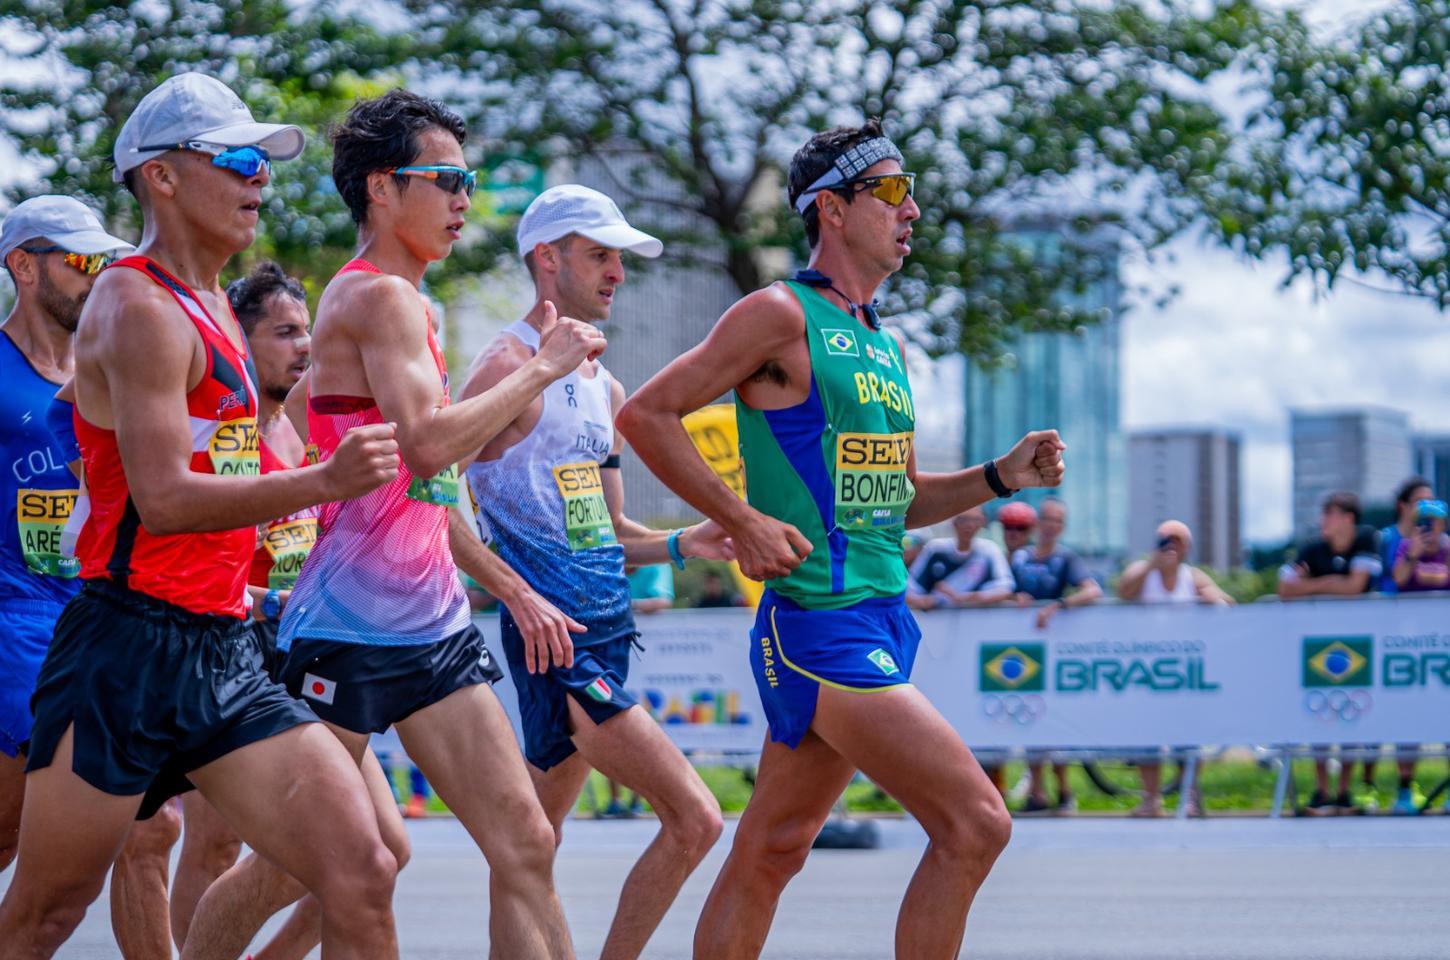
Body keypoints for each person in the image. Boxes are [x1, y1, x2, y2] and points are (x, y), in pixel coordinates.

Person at [616, 118, 1066, 959]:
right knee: (976, 824)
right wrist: (742, 519)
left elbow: (891, 502)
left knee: (772, 851)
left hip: (880, 613)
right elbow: (644, 415)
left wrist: (1001, 477)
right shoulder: (778, 314)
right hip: (821, 623)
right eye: (893, 191)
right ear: (831, 207)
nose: (914, 210)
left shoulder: (881, 343)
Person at [184, 90, 603, 960]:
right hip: (346, 632)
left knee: (526, 842)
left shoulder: (407, 305)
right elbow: (423, 448)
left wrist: (505, 585)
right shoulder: (379, 299)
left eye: (468, 180)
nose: (463, 199)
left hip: (434, 626)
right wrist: (541, 371)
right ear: (382, 188)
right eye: (444, 180)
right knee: (292, 869)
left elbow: (396, 471)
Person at [0, 74, 404, 959]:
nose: (260, 179)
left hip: (224, 650)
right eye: (237, 159)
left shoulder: (216, 302)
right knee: (40, 919)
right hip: (125, 655)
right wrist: (323, 483)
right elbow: (166, 500)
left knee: (365, 866)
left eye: (263, 161)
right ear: (163, 176)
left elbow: (230, 466)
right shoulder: (133, 303)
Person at [461, 183, 727, 958]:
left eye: (621, 258)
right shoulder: (506, 366)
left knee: (530, 847)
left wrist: (685, 544)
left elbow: (609, 532)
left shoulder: (603, 385)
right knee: (697, 819)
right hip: (559, 645)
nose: (617, 272)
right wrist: (516, 594)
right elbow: (427, 492)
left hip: (609, 632)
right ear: (547, 259)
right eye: (600, 254)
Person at [168, 261, 412, 959]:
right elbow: (183, 535)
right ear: (240, 345)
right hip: (230, 650)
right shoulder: (227, 427)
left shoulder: (305, 423)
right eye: (283, 333)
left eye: (308, 330)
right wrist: (260, 598)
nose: (303, 346)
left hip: (306, 656)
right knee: (213, 846)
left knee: (385, 851)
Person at [0, 195, 189, 960]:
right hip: (14, 617)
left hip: (101, 615)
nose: (95, 275)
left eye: (103, 260)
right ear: (23, 265)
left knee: (151, 827)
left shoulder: (108, 371)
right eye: (80, 261)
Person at [1275, 491, 1382, 816]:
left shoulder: (1366, 539)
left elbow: (1355, 588)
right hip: (1318, 644)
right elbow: (1285, 590)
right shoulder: (1312, 547)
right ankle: (1322, 791)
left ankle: (1345, 791)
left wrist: (1314, 584)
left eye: (1330, 514)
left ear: (1347, 518)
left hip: (1358, 644)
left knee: (1353, 712)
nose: (1323, 522)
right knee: (1319, 714)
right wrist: (1333, 582)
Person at [1116, 519, 1232, 817]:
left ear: (1187, 547)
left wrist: (1212, 598)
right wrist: (1152, 565)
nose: (1170, 545)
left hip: (1183, 673)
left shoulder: (1192, 577)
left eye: (1176, 540)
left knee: (1188, 734)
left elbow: (1227, 603)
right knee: (1147, 736)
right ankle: (1151, 799)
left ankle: (1191, 796)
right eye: (1164, 539)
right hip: (1148, 670)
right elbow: (1124, 591)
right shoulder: (1143, 571)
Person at [1010, 497, 1101, 815]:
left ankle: (1064, 792)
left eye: (1057, 521)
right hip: (1022, 651)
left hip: (1056, 650)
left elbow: (1092, 591)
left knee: (1054, 723)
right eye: (1046, 519)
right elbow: (1002, 587)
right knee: (1029, 719)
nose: (1050, 527)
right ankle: (1038, 793)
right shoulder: (1020, 557)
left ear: (1062, 527)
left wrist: (1058, 606)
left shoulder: (1066, 559)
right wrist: (1013, 598)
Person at [1376, 478, 1436, 813]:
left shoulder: (1444, 541)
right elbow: (1395, 579)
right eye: (1421, 503)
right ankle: (1403, 790)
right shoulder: (1388, 539)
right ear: (1404, 506)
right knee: (1406, 716)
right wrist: (1413, 553)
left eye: (1433, 504)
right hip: (1398, 640)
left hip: (1437, 641)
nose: (1427, 511)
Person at [905, 506, 1015, 611]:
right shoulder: (935, 549)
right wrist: (925, 600)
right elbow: (910, 586)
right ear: (953, 521)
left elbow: (1006, 587)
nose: (969, 525)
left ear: (983, 522)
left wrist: (964, 598)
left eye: (975, 520)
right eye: (963, 520)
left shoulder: (989, 550)